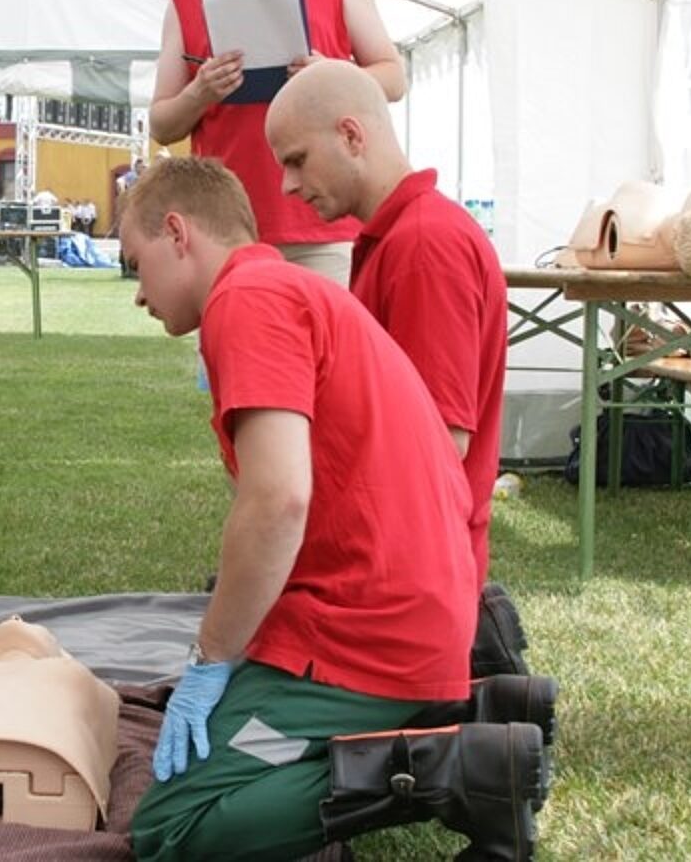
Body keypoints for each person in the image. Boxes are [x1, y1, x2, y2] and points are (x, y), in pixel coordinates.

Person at [119, 158, 545, 860]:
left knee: (173, 828)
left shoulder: (246, 300)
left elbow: (278, 501)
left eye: (136, 264)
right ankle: (455, 721)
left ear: (177, 232)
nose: (139, 293)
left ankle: (446, 772)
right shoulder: (286, 289)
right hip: (402, 614)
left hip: (365, 632)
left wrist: (209, 659)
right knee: (248, 753)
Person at [267, 61, 529, 677]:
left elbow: (438, 445)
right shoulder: (403, 236)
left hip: (401, 586)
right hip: (397, 567)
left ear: (352, 135)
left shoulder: (423, 245)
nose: (287, 186)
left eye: (297, 160)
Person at [148, 0, 406, 288]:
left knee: (330, 336)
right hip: (227, 232)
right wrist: (200, 93)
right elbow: (161, 124)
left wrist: (330, 76)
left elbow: (394, 77)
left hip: (327, 225)